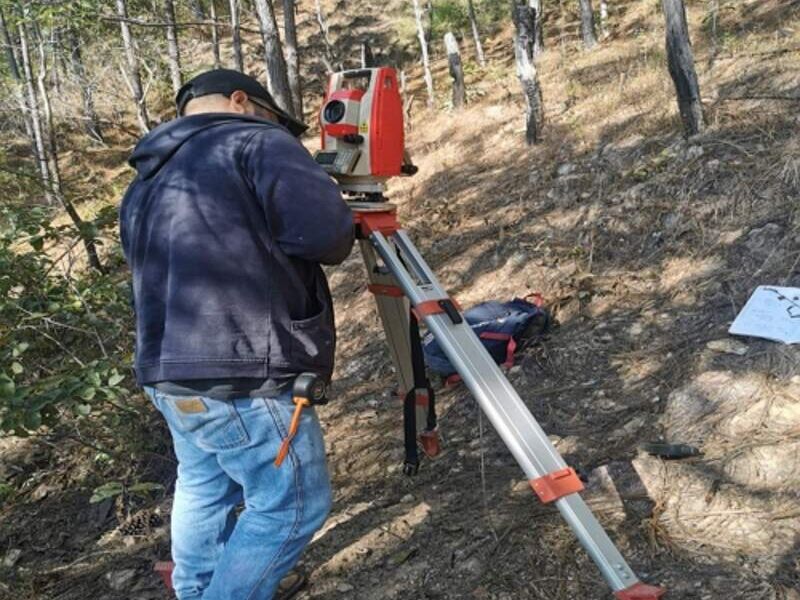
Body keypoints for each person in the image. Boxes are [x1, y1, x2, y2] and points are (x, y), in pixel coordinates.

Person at [119, 69, 354, 600]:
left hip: (167, 373)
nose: (280, 131)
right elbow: (326, 235)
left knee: (204, 485)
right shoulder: (254, 140)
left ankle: (200, 590)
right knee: (292, 507)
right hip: (242, 374)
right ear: (242, 101)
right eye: (276, 120)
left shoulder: (148, 174)